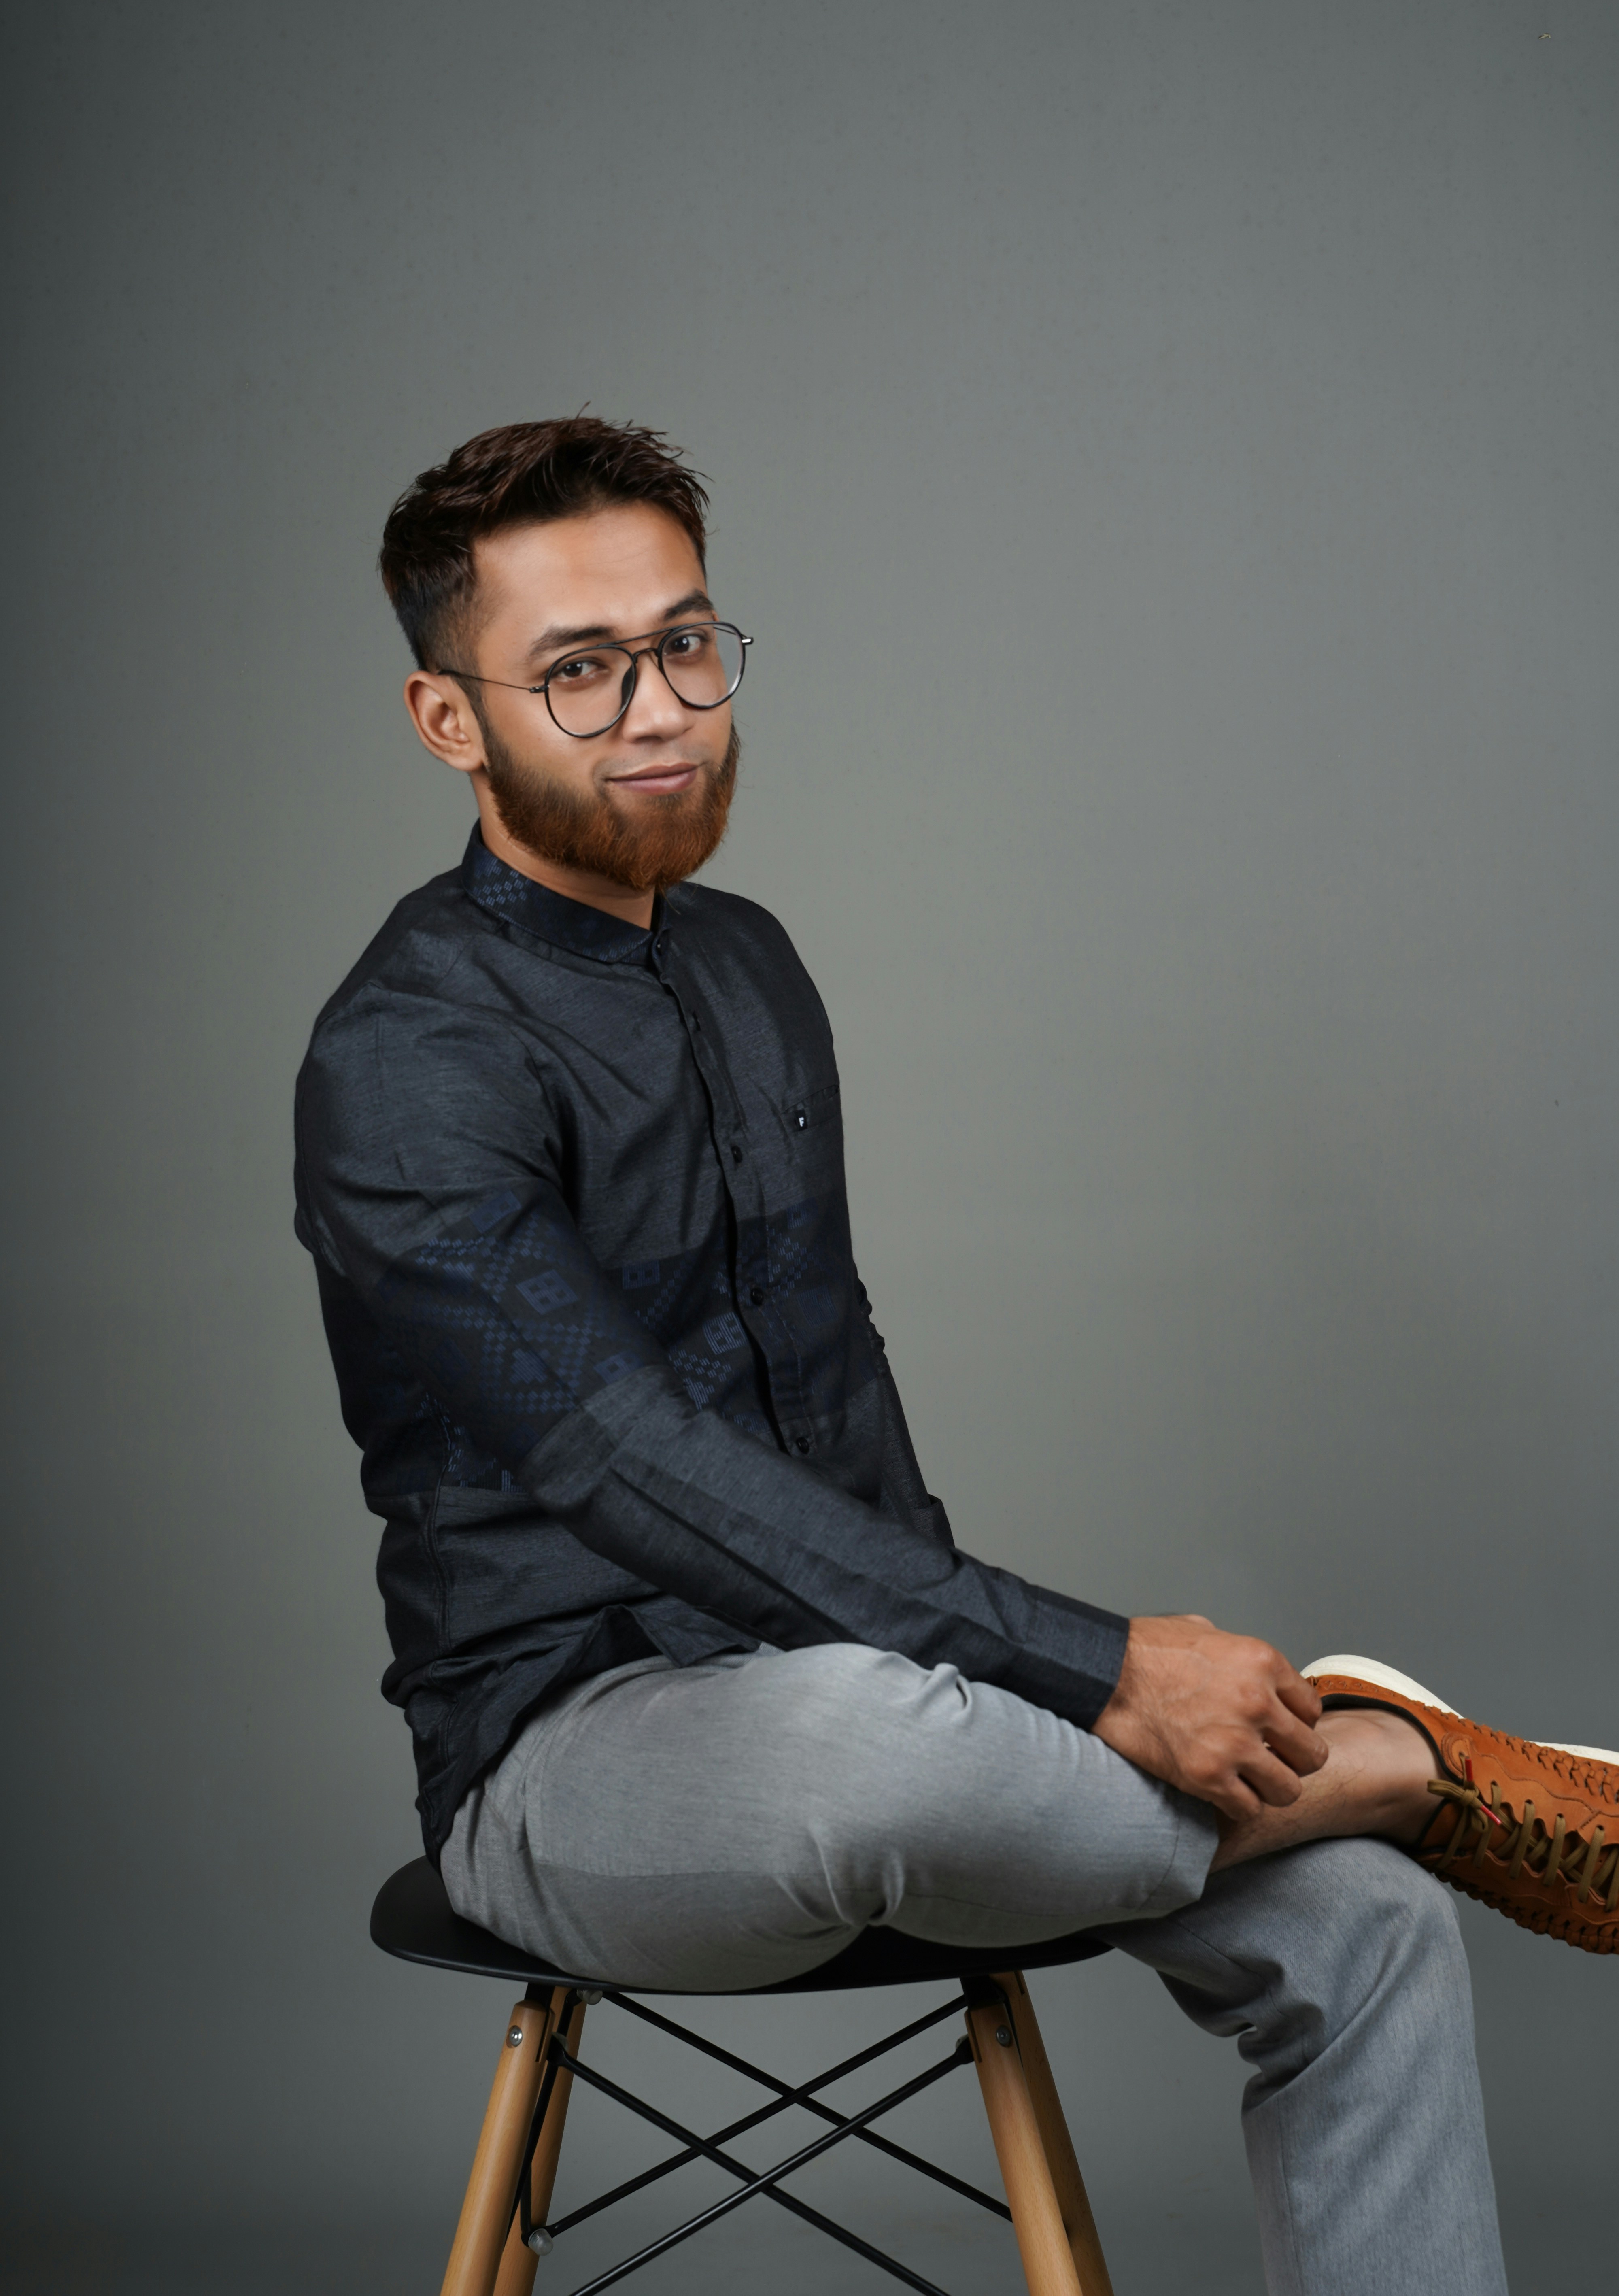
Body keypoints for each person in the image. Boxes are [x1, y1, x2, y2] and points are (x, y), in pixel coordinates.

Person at [294, 416, 1616, 2295]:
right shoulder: (405, 1058)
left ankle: (1359, 1812)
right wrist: (1084, 1672)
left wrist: (1013, 1691)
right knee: (877, 1755)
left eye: (684, 643)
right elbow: (623, 1459)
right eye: (578, 673)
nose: (660, 707)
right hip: (574, 1760)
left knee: (1370, 1924)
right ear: (451, 721)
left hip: (867, 1682)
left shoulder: (748, 966)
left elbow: (838, 1402)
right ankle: (1404, 1756)